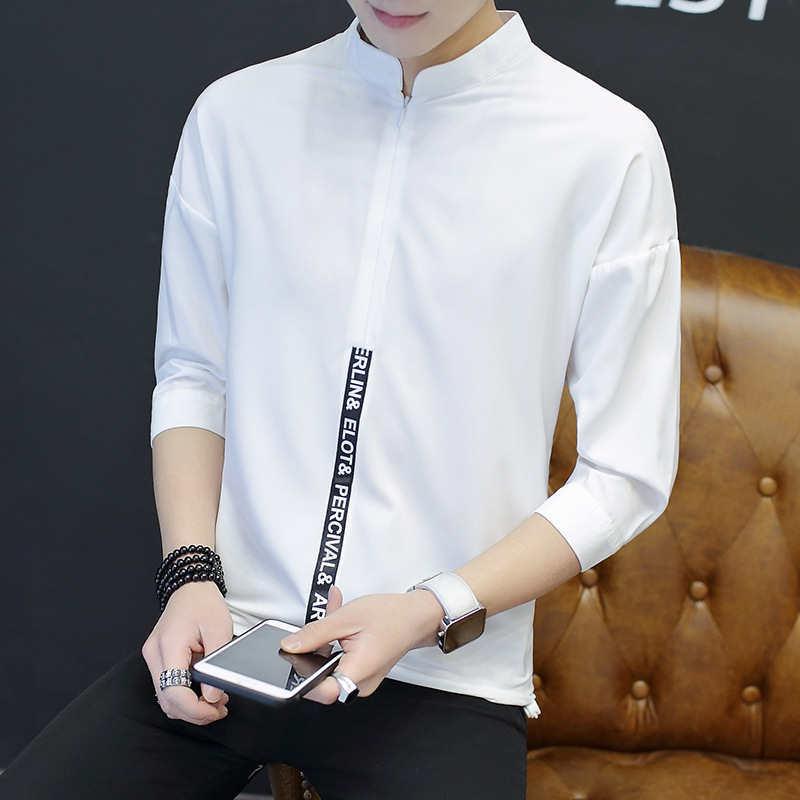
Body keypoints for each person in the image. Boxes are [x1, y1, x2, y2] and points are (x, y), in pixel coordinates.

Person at [0, 2, 680, 798]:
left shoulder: (605, 147)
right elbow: (194, 375)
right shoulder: (237, 116)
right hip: (229, 641)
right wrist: (188, 576)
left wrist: (433, 606)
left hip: (439, 678)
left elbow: (624, 475)